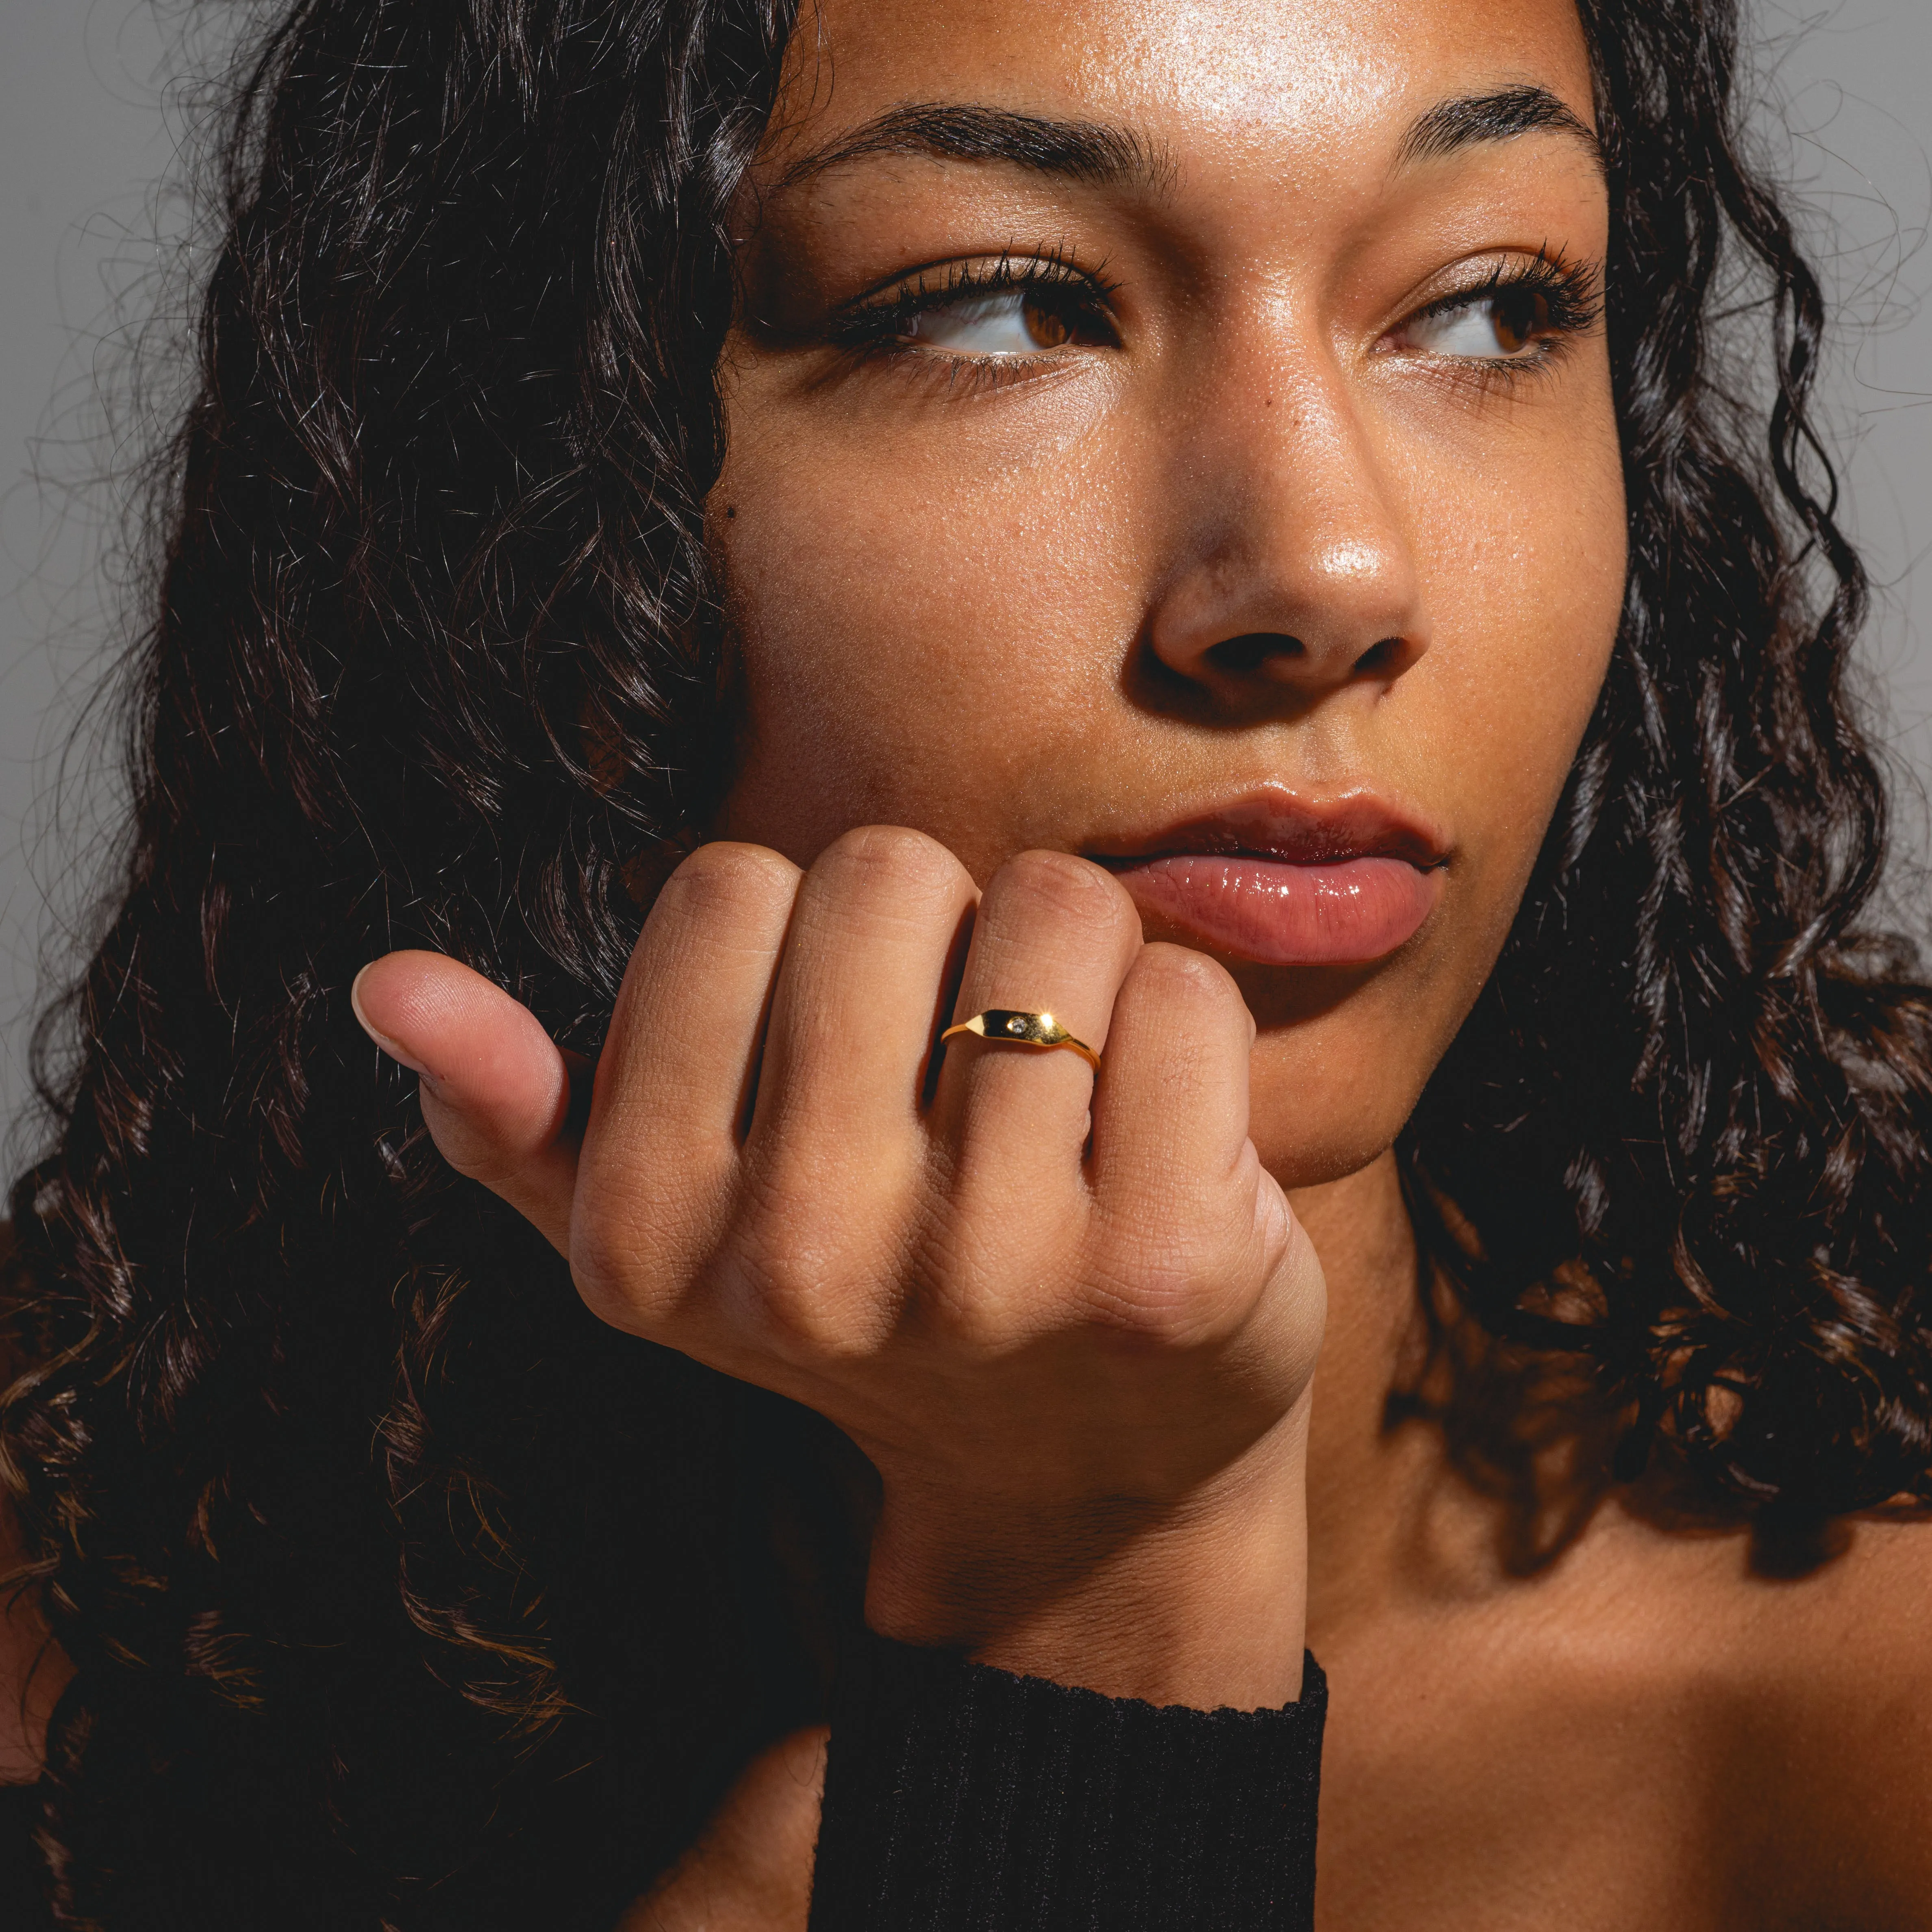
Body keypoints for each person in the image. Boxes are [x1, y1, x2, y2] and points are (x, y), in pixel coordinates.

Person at [4, 0, 1932, 1923]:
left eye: (1494, 304)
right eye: (1004, 307)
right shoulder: (74, 1653)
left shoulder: (1869, 1703)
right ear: (496, 471)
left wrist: (1095, 1573)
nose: (1332, 574)